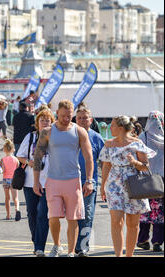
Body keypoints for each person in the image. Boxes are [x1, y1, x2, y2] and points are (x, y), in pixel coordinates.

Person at [33, 100, 94, 257]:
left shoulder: (79, 131)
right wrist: (36, 181)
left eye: (69, 115)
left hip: (73, 180)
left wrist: (89, 180)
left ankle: (71, 251)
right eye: (63, 116)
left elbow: (89, 158)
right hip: (53, 180)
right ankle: (57, 245)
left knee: (73, 218)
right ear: (57, 114)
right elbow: (38, 157)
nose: (67, 118)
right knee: (53, 217)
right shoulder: (47, 132)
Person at [99, 115, 155, 257]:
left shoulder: (137, 143)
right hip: (114, 186)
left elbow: (145, 167)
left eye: (112, 125)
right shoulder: (109, 144)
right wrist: (102, 186)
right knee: (116, 222)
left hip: (134, 185)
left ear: (121, 128)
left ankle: (129, 255)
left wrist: (134, 162)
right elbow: (106, 165)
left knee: (132, 224)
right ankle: (118, 255)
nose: (110, 127)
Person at [17, 109, 54, 257]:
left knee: (42, 214)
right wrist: (29, 162)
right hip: (30, 182)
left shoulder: (55, 138)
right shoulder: (30, 137)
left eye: (48, 120)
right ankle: (36, 241)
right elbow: (19, 156)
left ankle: (40, 247)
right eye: (42, 120)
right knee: (32, 214)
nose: (45, 122)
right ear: (37, 123)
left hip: (49, 182)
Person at [74, 106, 105, 257]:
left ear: (91, 120)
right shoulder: (69, 135)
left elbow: (105, 162)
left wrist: (104, 183)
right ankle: (75, 244)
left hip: (89, 182)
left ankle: (83, 247)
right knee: (74, 216)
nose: (82, 120)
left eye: (85, 118)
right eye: (79, 117)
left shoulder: (96, 138)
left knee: (88, 213)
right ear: (75, 119)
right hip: (70, 182)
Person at [137, 111, 164, 253]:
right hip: (162, 180)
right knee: (159, 212)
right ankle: (158, 242)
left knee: (145, 210)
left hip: (146, 178)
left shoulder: (143, 136)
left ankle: (143, 240)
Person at [0, 139, 20, 221]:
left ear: (4, 150)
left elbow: (3, 170)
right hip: (14, 179)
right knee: (15, 197)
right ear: (13, 149)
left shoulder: (3, 159)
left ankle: (8, 215)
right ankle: (17, 209)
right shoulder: (15, 159)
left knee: (7, 197)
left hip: (6, 179)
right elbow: (18, 169)